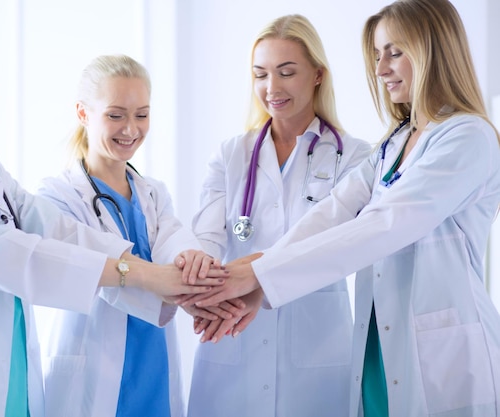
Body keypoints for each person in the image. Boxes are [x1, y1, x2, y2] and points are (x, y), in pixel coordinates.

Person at [0, 32, 224, 417]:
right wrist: (143, 275)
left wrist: (176, 277)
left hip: (10, 364)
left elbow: (55, 229)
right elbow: (22, 258)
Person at [188, 1, 500, 416]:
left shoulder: (467, 138)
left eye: (394, 52)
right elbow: (332, 213)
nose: (380, 68)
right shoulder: (394, 143)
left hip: (438, 345)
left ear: (433, 50)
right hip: (379, 337)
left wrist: (257, 273)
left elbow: (385, 225)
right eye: (377, 55)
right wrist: (258, 283)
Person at [184, 14, 371, 417]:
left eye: (287, 72)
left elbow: (337, 242)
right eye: (260, 74)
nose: (272, 88)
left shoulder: (354, 157)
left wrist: (257, 277)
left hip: (318, 349)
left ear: (318, 75)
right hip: (232, 338)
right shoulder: (232, 154)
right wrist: (203, 278)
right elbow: (207, 237)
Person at [34, 54, 229, 417]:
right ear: (82, 113)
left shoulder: (152, 193)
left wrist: (196, 267)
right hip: (92, 369)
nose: (131, 129)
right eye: (115, 114)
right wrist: (179, 289)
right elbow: (93, 272)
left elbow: (175, 241)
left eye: (141, 114)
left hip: (152, 364)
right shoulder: (57, 198)